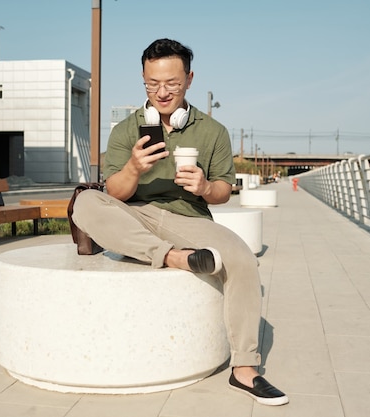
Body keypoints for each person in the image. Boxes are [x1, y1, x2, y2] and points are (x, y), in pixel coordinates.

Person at [72, 38, 288, 406]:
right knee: (86, 203)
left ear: (189, 79)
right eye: (152, 84)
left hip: (188, 218)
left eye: (171, 83)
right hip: (134, 214)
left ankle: (245, 369)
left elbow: (223, 190)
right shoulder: (127, 129)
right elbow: (115, 193)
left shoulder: (213, 130)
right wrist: (133, 168)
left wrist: (205, 186)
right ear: (143, 79)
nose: (162, 92)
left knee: (241, 259)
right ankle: (173, 257)